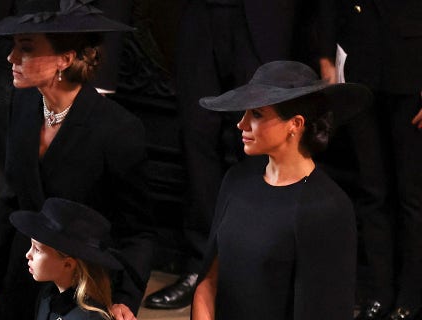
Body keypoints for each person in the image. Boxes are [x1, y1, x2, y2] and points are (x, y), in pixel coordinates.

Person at [144, 1, 338, 309]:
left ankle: (253, 268)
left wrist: (325, 50)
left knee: (261, 139)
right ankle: (201, 269)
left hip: (267, 18)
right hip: (200, 17)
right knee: (196, 139)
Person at [0, 1, 154, 320]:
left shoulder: (118, 129)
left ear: (65, 59)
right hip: (19, 280)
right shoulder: (24, 105)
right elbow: (10, 200)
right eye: (14, 47)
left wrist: (124, 297)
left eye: (25, 49)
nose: (11, 57)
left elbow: (137, 230)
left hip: (81, 294)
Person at [191, 61, 369, 320]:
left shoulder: (328, 208)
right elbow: (207, 283)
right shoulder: (236, 180)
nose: (242, 124)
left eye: (257, 114)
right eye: (244, 113)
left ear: (295, 124)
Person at [327, 1, 422, 319]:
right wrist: (326, 58)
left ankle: (412, 297)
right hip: (360, 67)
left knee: (413, 196)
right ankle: (380, 294)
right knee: (372, 190)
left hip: (412, 72)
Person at [0, 198, 121, 320]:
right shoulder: (47, 296)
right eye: (31, 246)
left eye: (37, 249)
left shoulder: (89, 317)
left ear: (67, 264)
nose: (28, 255)